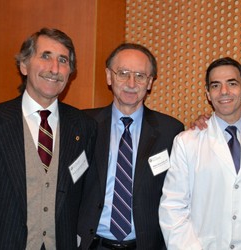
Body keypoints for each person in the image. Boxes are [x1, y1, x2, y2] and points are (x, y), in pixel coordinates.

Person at [0, 28, 97, 249]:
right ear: (24, 65)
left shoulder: (84, 127)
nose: (54, 69)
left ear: (70, 72)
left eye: (63, 60)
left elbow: (85, 195)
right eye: (45, 56)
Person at [159, 57, 241, 249]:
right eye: (216, 85)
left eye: (232, 83)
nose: (224, 91)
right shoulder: (186, 142)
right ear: (208, 93)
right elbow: (173, 207)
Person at [77, 43, 184, 249]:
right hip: (92, 244)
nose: (131, 83)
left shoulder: (171, 131)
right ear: (109, 76)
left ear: (150, 82)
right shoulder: (83, 124)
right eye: (123, 73)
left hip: (146, 245)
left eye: (140, 76)